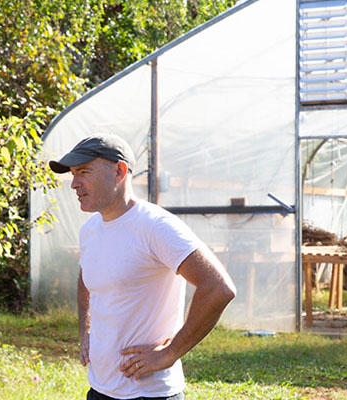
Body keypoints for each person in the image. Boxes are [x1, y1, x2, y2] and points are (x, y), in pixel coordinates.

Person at [49, 134, 237, 400]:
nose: (74, 183)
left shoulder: (155, 227)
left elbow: (218, 288)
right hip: (100, 389)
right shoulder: (90, 230)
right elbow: (87, 280)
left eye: (84, 172)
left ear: (119, 171)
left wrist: (170, 354)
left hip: (150, 393)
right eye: (72, 174)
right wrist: (86, 330)